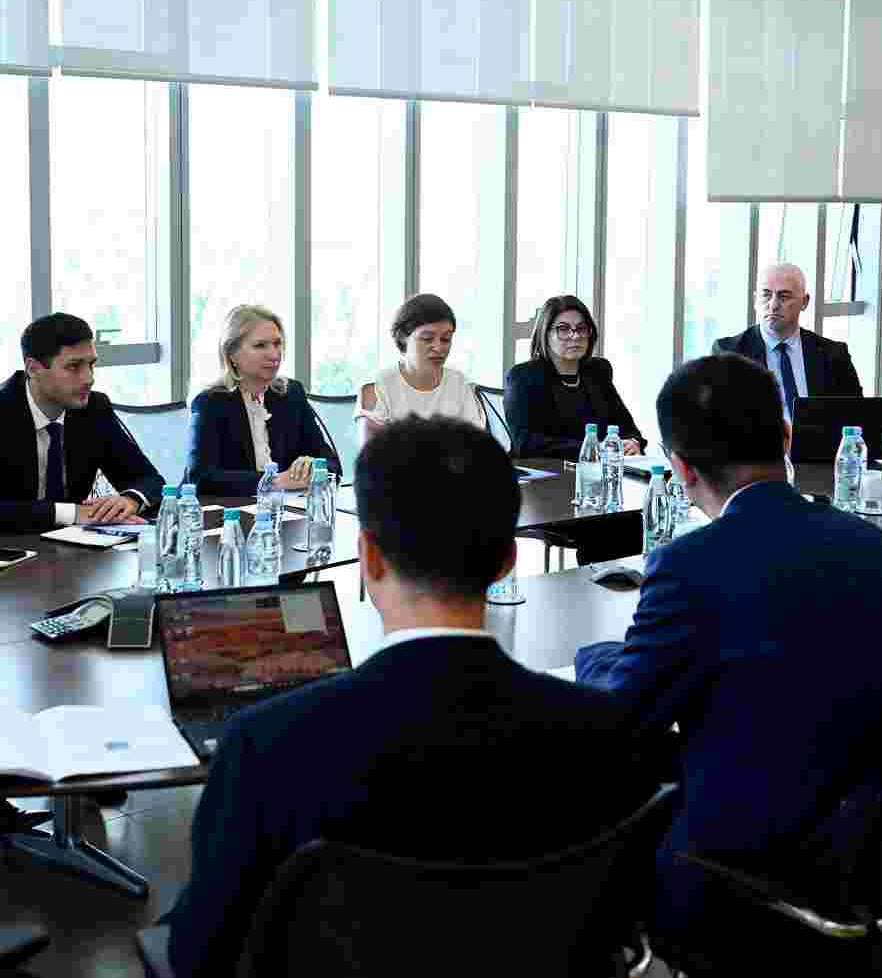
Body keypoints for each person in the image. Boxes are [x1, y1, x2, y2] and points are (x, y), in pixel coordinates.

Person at [165, 417, 656, 978]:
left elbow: (200, 955)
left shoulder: (267, 743)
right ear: (507, 561)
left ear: (370, 558)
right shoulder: (606, 731)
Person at [574, 352, 882, 959]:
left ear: (680, 468)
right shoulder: (872, 545)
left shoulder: (689, 566)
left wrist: (595, 660)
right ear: (785, 436)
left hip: (741, 873)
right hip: (876, 848)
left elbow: (623, 720)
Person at [0, 312, 165, 535]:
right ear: (33, 368)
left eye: (91, 364)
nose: (89, 378)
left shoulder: (94, 408)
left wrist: (130, 499)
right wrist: (75, 513)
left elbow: (150, 480)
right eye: (74, 366)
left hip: (64, 546)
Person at [184, 305, 340, 496]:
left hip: (283, 508)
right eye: (260, 345)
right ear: (231, 354)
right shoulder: (210, 402)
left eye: (277, 344)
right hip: (222, 511)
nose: (274, 355)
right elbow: (201, 477)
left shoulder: (291, 394)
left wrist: (314, 469)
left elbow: (332, 463)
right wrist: (276, 481)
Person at [714, 262, 863, 422]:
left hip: (819, 438)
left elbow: (858, 417)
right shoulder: (730, 353)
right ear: (755, 300)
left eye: (784, 296)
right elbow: (717, 422)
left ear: (804, 302)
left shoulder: (833, 355)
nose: (773, 305)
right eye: (766, 295)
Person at [503, 295, 644, 460]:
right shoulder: (523, 376)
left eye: (581, 328)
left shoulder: (598, 372)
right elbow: (525, 443)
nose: (575, 336)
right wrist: (592, 449)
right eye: (563, 329)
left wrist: (632, 443)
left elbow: (627, 428)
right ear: (545, 333)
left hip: (597, 469)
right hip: (544, 472)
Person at [355, 293, 485, 437]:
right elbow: (371, 449)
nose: (438, 348)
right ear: (403, 338)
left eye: (446, 339)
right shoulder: (377, 387)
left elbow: (476, 444)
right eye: (427, 339)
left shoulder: (460, 384)